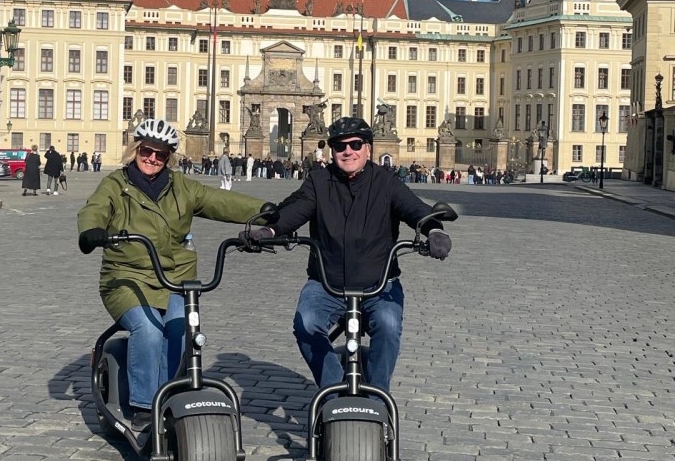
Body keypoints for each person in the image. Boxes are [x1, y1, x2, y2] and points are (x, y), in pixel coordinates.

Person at [77, 118, 268, 430]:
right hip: (126, 278)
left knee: (181, 330)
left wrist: (265, 210)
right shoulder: (116, 185)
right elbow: (94, 209)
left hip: (176, 279)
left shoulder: (181, 187)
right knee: (149, 331)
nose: (152, 158)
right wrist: (92, 231)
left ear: (169, 158)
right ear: (135, 150)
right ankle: (143, 404)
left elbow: (218, 201)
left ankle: (166, 395)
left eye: (160, 154)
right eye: (147, 151)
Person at [242, 117, 452, 394]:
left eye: (355, 144)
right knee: (306, 323)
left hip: (379, 284)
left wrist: (434, 230)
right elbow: (295, 210)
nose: (348, 151)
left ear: (368, 148)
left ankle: (378, 398)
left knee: (388, 328)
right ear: (332, 150)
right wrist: (269, 230)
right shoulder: (318, 181)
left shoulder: (386, 182)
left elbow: (413, 208)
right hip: (326, 283)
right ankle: (333, 387)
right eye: (340, 146)